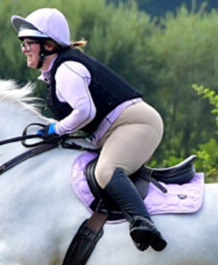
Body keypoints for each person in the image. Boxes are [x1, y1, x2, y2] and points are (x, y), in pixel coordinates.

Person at [11, 7, 167, 252]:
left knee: (106, 171)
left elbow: (85, 113)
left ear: (49, 45)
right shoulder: (58, 71)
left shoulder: (67, 70)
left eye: (29, 43)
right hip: (112, 130)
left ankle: (144, 223)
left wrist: (55, 130)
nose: (24, 49)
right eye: (23, 43)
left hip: (135, 124)